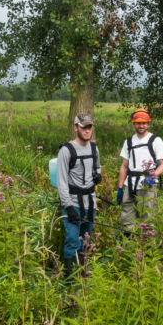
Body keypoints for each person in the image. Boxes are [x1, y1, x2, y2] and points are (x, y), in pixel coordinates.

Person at [57, 113, 101, 279]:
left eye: (89, 127)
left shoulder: (94, 148)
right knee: (72, 242)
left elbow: (97, 168)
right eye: (83, 127)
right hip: (73, 204)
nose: (87, 130)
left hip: (90, 204)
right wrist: (68, 207)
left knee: (85, 242)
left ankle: (83, 276)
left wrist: (98, 175)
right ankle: (71, 281)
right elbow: (61, 181)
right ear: (76, 128)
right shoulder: (66, 151)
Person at [116, 108, 163, 231]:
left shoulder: (155, 140)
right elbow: (124, 166)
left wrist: (152, 176)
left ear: (148, 124)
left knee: (147, 218)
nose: (141, 125)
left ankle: (147, 246)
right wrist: (119, 187)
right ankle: (129, 243)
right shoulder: (128, 142)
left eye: (144, 123)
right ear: (134, 123)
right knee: (126, 218)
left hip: (147, 184)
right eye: (138, 123)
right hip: (130, 184)